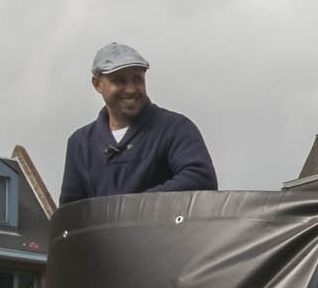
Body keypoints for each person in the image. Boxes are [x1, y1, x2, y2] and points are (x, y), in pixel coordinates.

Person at [58, 42, 218, 204]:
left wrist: (136, 206)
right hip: (103, 231)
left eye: (137, 79)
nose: (131, 89)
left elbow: (200, 179)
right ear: (98, 84)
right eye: (119, 81)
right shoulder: (80, 143)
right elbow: (71, 210)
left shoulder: (175, 128)